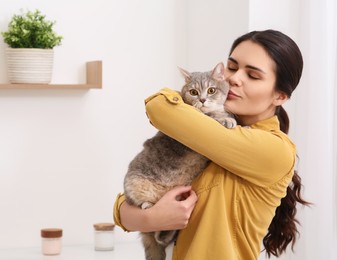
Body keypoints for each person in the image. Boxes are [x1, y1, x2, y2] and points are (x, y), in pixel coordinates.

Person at [113, 29, 310, 259]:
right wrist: (151, 218)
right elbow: (122, 208)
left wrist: (145, 219)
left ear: (280, 96)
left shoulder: (275, 150)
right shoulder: (205, 133)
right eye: (233, 67)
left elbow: (159, 107)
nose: (235, 79)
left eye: (253, 76)